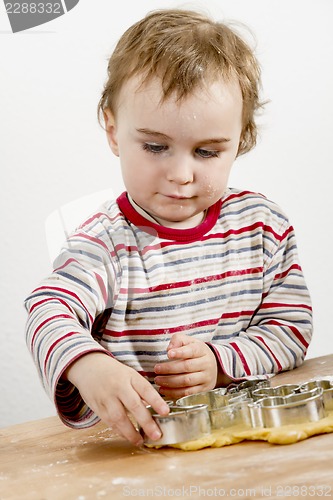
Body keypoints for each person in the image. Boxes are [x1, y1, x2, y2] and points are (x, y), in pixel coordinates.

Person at [24, 8, 313, 446]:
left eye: (207, 152)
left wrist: (221, 362)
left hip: (243, 444)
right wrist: (88, 365)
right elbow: (47, 310)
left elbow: (290, 329)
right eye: (156, 146)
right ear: (113, 130)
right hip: (139, 449)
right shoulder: (106, 244)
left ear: (242, 139)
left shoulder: (263, 227)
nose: (181, 174)